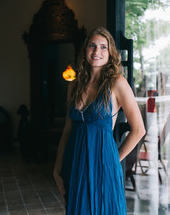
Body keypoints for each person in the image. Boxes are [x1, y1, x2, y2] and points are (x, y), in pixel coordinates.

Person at [53, 27, 146, 214]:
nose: (97, 52)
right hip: (75, 163)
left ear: (111, 53)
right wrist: (57, 168)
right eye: (92, 46)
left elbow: (138, 130)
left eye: (103, 47)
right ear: (85, 50)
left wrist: (113, 159)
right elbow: (68, 129)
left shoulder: (117, 83)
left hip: (103, 165)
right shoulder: (74, 86)